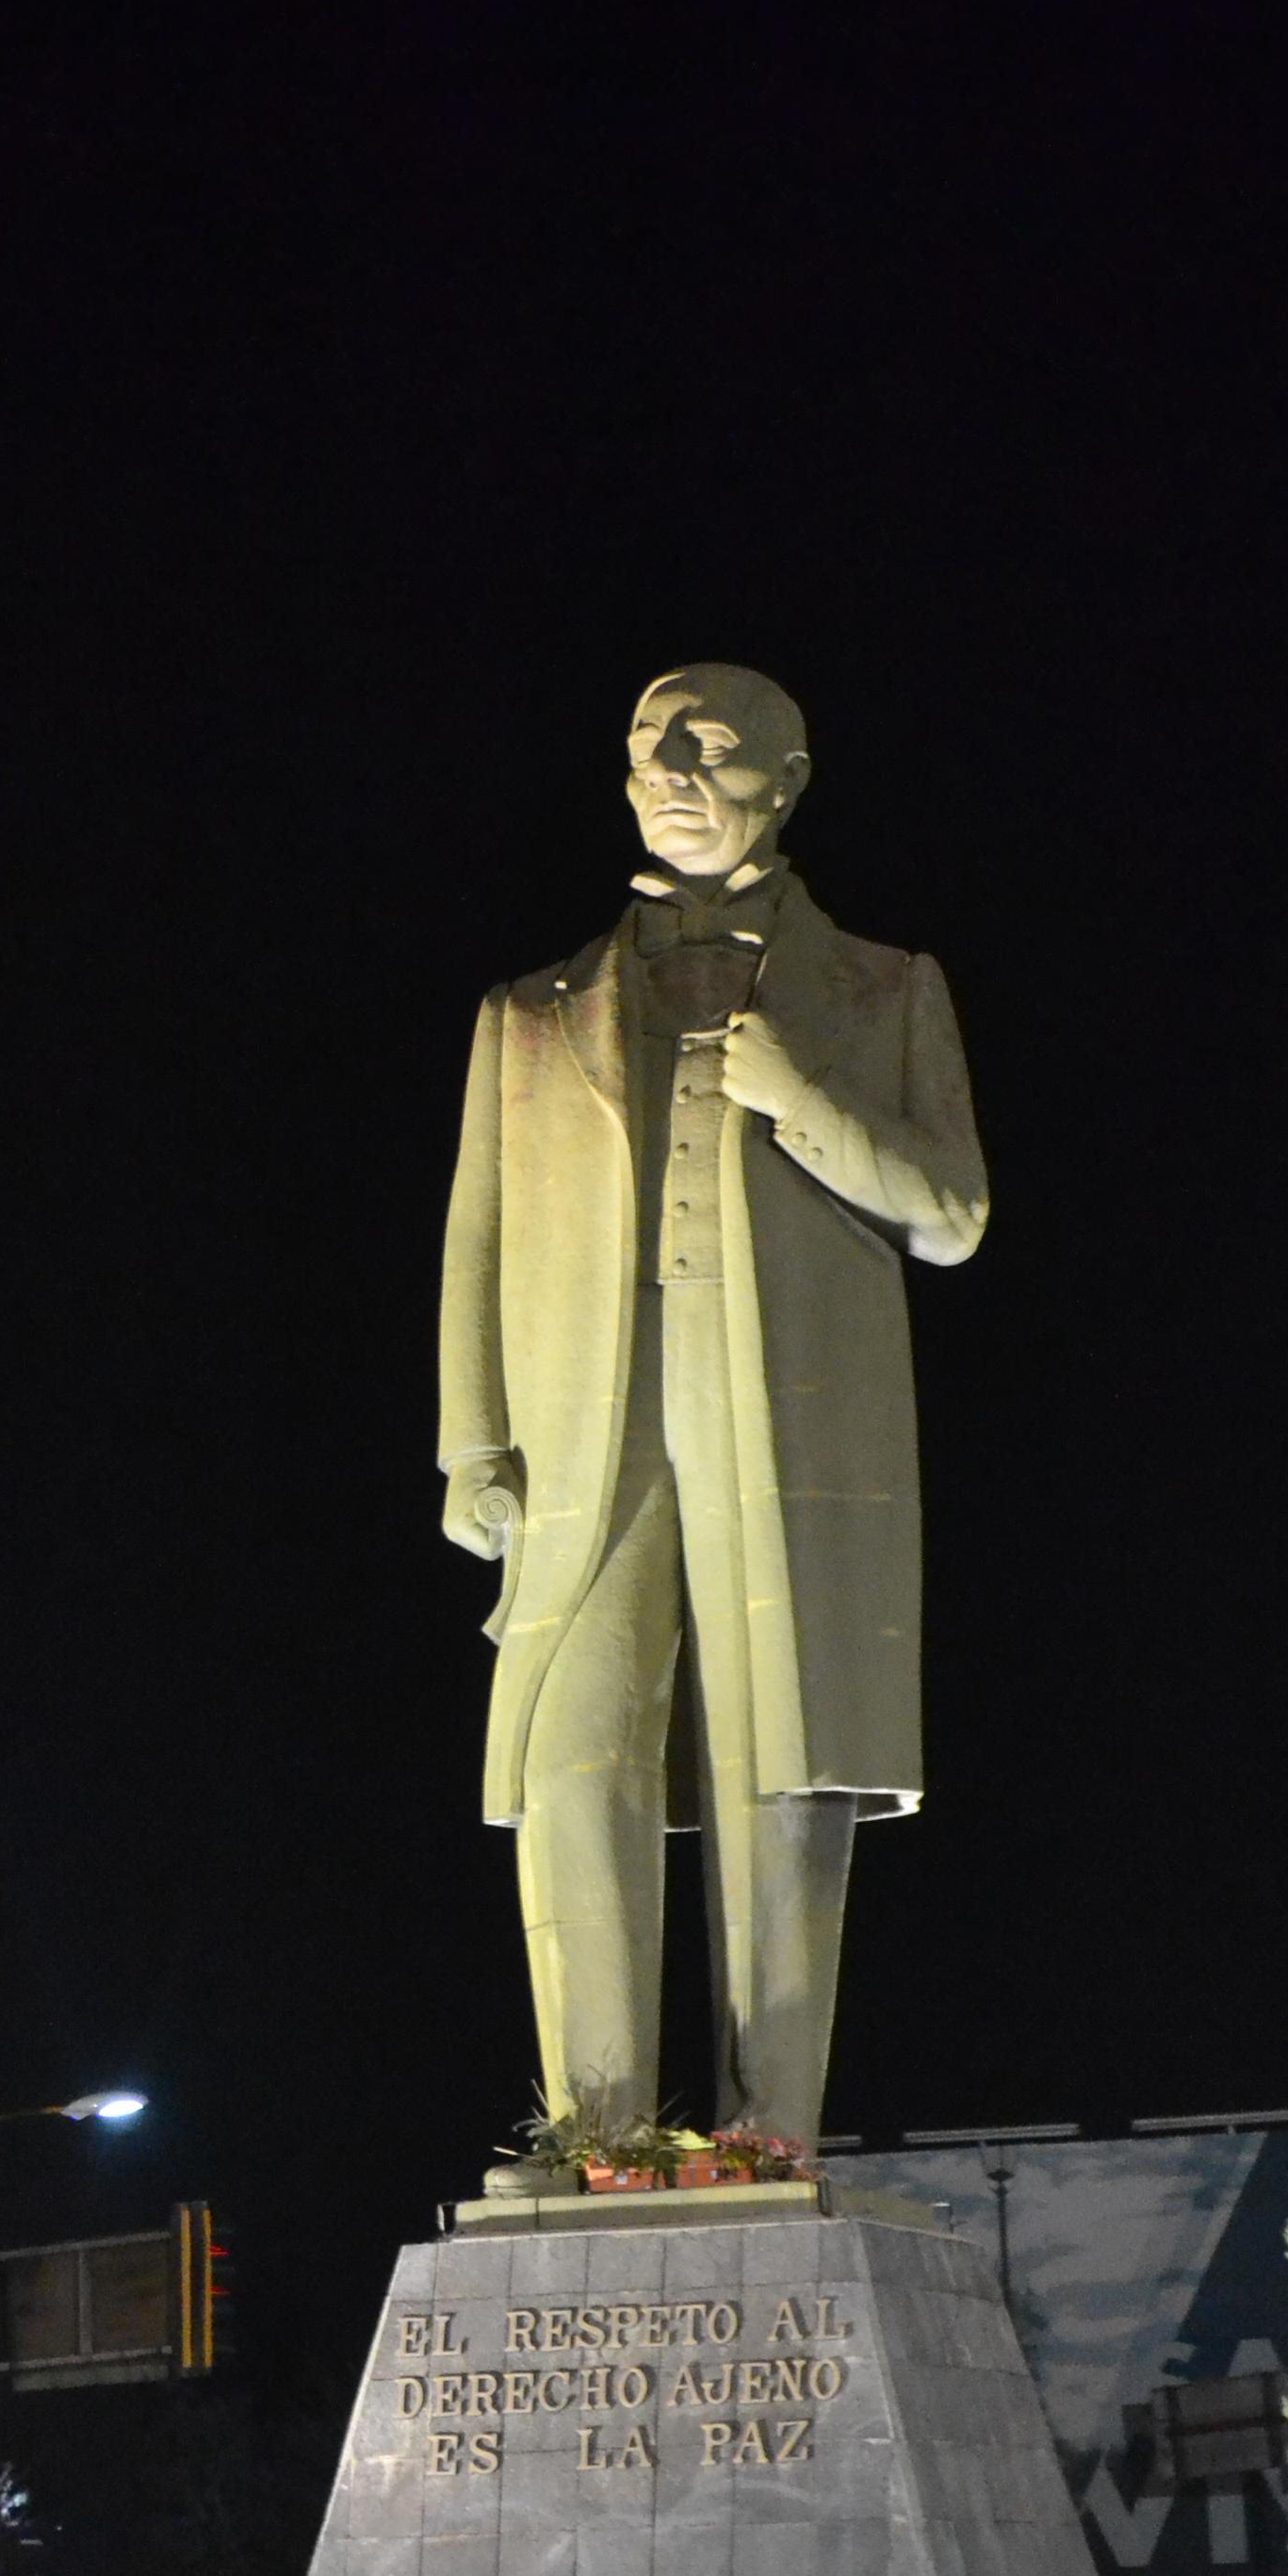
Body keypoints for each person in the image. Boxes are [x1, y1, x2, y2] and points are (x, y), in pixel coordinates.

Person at [438, 663, 986, 2153]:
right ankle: (596, 2133)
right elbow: (478, 1237)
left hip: (789, 1435)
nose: (674, 763)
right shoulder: (532, 1012)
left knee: (778, 1764)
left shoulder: (883, 990)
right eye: (647, 741)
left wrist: (801, 1097)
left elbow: (953, 1214)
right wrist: (470, 1440)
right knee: (573, 1759)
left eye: (712, 741)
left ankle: (770, 2128)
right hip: (590, 1439)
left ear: (789, 778)